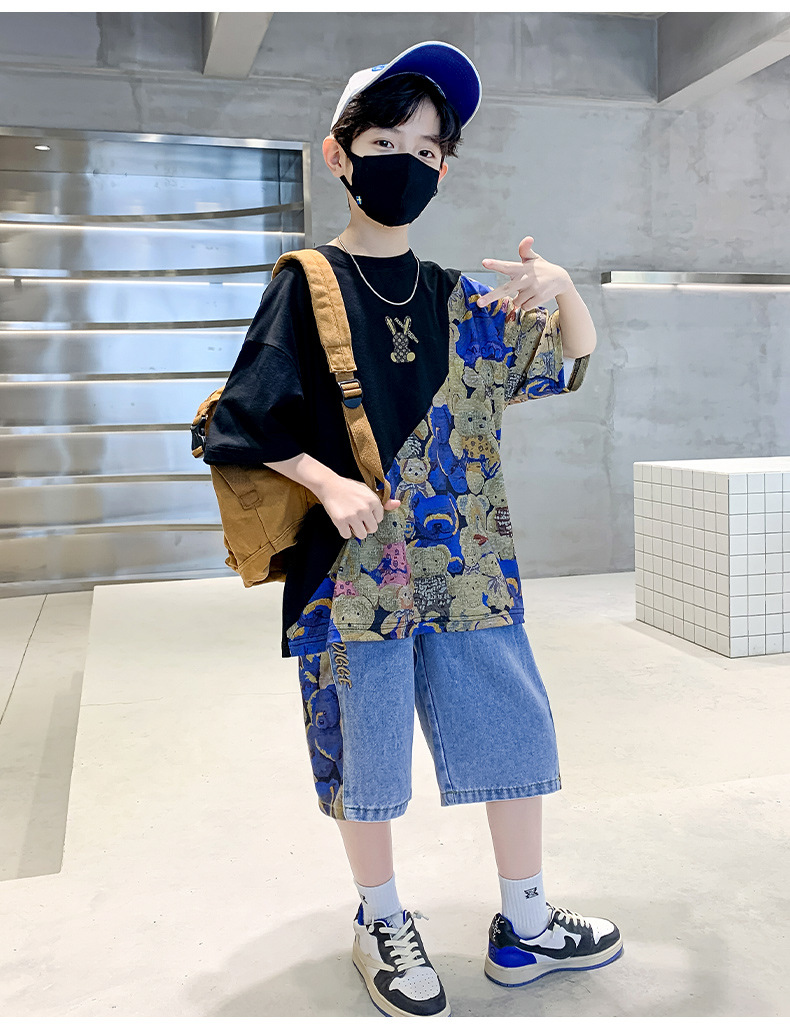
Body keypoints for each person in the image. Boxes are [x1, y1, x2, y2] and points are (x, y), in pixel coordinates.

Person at [204, 40, 623, 1018]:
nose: (409, 163)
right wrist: (324, 482)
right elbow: (240, 420)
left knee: (512, 731)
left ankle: (526, 919)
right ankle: (382, 917)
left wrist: (563, 288)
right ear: (338, 154)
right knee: (368, 755)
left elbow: (563, 365)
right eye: (386, 142)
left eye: (429, 150)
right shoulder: (307, 281)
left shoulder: (453, 296)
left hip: (469, 563)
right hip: (350, 575)